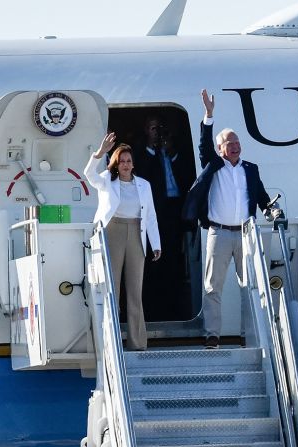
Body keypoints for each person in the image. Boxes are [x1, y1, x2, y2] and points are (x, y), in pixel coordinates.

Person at [183, 89, 272, 349]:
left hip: (246, 233)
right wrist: (209, 116)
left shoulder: (250, 169)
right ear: (220, 149)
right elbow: (203, 145)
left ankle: (250, 335)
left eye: (237, 143)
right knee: (213, 287)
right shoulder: (214, 166)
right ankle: (213, 335)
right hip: (219, 233)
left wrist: (270, 210)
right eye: (229, 144)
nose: (235, 147)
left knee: (250, 287)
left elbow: (262, 197)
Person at [84, 133, 161, 351]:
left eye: (128, 161)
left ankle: (137, 341)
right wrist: (99, 153)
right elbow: (88, 174)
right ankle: (111, 340)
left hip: (137, 231)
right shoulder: (107, 180)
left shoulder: (144, 185)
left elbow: (151, 215)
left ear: (133, 164)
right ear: (116, 164)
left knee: (135, 289)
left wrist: (155, 243)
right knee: (112, 287)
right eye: (122, 161)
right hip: (113, 231)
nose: (126, 165)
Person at [137, 116, 193, 320]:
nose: (158, 133)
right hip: (155, 211)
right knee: (155, 259)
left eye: (161, 129)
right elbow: (141, 175)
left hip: (175, 209)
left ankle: (176, 303)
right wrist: (152, 150)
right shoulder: (141, 153)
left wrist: (172, 152)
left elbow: (188, 175)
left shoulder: (174, 153)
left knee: (175, 258)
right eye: (154, 128)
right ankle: (155, 306)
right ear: (146, 131)